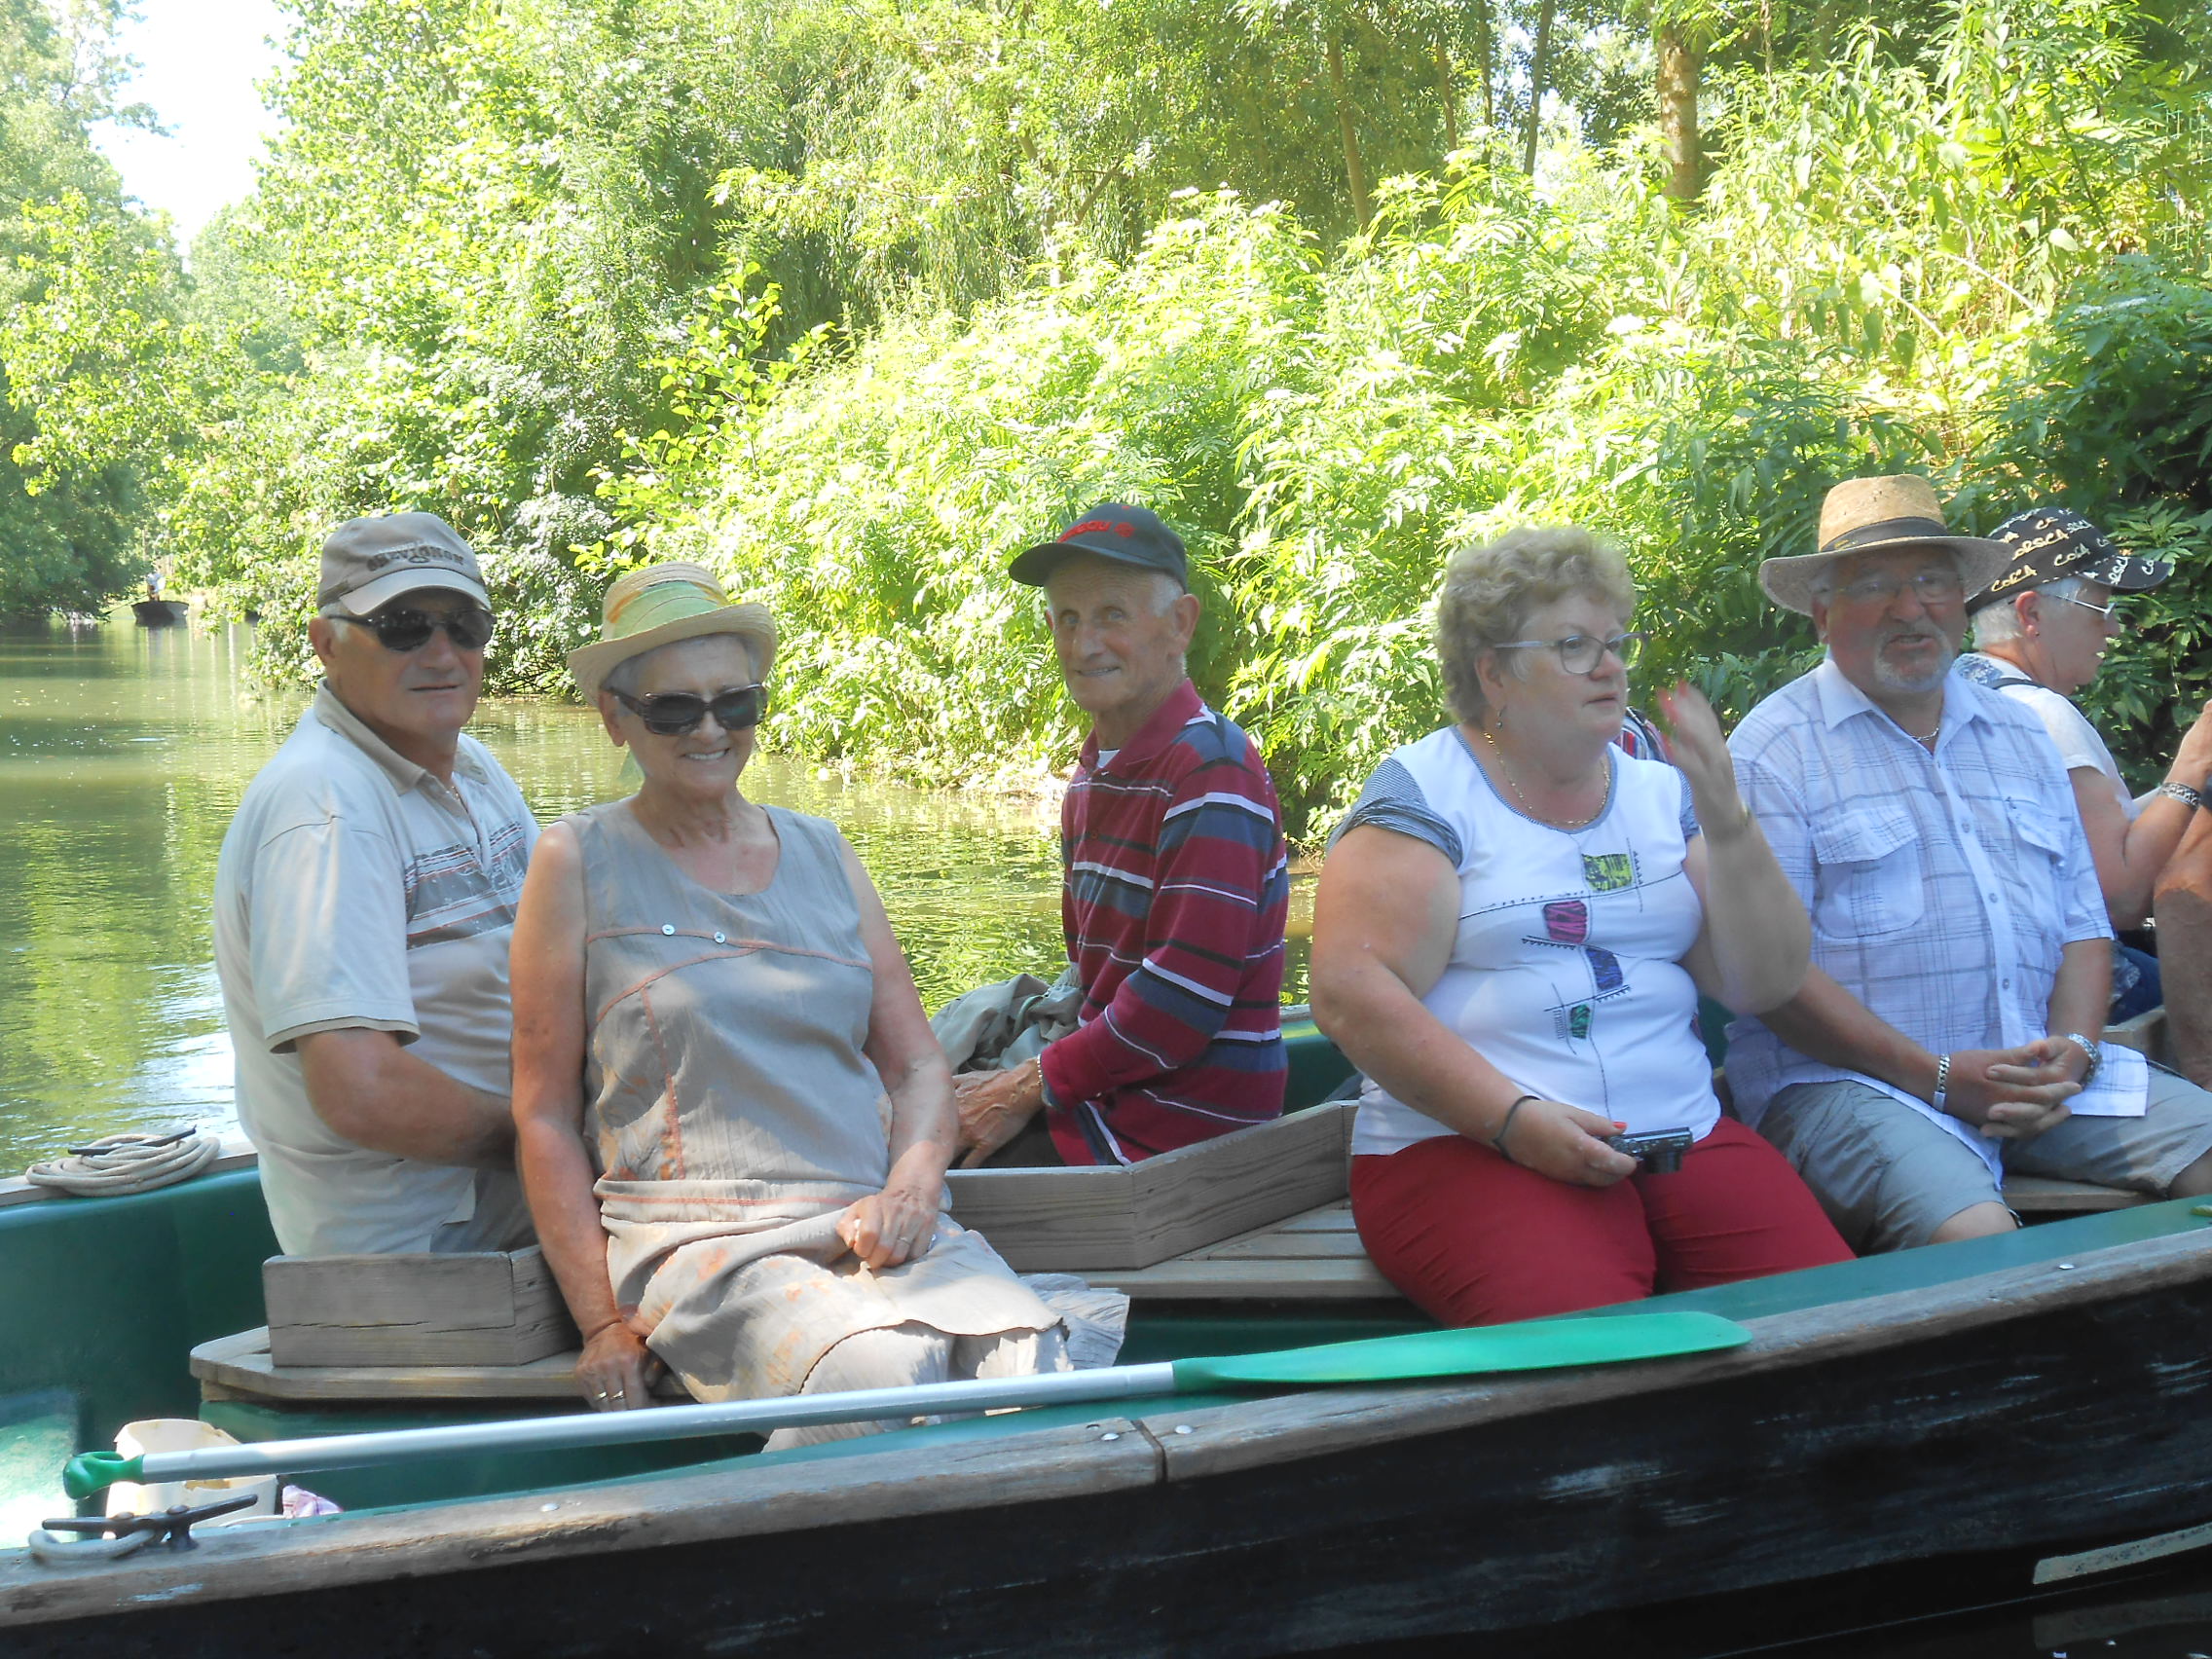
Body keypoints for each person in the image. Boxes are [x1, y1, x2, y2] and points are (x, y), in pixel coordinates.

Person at [509, 563, 1071, 1442]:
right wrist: (598, 1321)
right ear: (615, 716)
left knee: (1028, 1365)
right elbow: (542, 1115)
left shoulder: (824, 850)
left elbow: (919, 1063)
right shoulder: (576, 860)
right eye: (674, 709)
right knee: (877, 1372)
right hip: (704, 1244)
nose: (709, 729)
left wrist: (914, 1192)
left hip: (870, 1218)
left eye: (734, 704)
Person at [1309, 527, 1851, 1327]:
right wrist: (1514, 1122)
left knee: (1830, 1321)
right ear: (1492, 671)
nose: (1610, 665)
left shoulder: (1662, 791)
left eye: (1614, 642)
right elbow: (1351, 994)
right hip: (1467, 1149)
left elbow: (1762, 981)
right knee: (1587, 1347)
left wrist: (1728, 817)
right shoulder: (1424, 796)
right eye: (1572, 646)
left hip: (1680, 1135)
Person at [1726, 475, 2212, 1253]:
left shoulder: (2020, 736)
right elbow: (1773, 979)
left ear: (1960, 601)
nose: (1909, 608)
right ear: (1822, 613)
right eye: (1874, 586)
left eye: (1931, 583)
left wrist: (2077, 1051)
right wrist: (1941, 1076)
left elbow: (2085, 925)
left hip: (2037, 1078)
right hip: (1851, 1088)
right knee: (1978, 1242)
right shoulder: (1771, 751)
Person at [213, 513, 537, 1257]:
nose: (442, 652)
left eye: (465, 625)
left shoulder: (476, 773)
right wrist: (555, 1138)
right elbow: (362, 1092)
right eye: (402, 625)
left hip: (509, 1199)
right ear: (327, 643)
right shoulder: (326, 809)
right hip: (428, 1240)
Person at [952, 503, 1290, 1168]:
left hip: (1179, 1124)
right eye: (1068, 620)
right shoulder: (1095, 773)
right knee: (890, 1111)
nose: (1084, 645)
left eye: (1112, 616)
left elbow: (1178, 1004)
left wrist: (1026, 1085)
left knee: (909, 1170)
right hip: (1111, 1092)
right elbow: (1097, 972)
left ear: (1180, 624)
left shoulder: (1210, 771)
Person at [1957, 505, 2212, 1019]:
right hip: (2081, 994)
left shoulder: (1962, 689)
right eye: (2100, 607)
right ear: (2031, 615)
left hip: (2001, 985)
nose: (2114, 628)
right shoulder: (2041, 716)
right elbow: (2119, 899)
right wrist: (2195, 764)